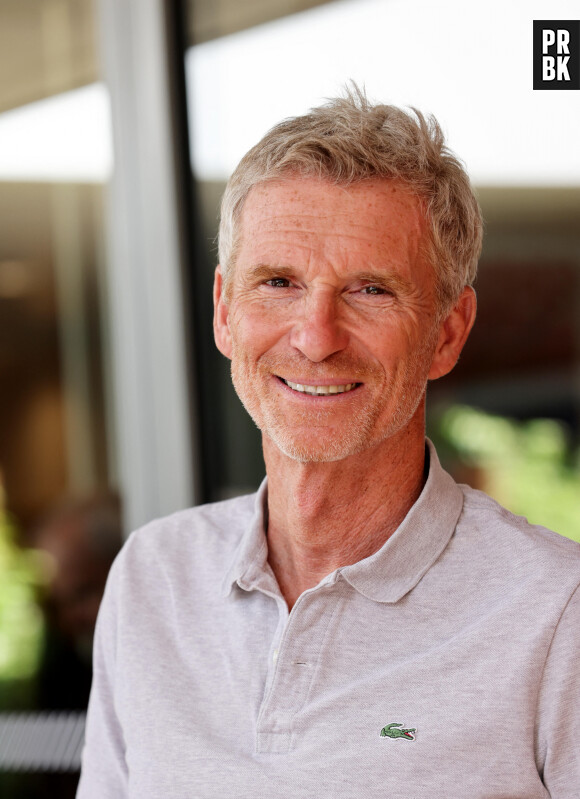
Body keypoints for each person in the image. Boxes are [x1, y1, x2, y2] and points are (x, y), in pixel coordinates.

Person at [77, 87, 580, 798]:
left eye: (371, 290)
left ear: (447, 330)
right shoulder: (154, 578)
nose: (315, 337)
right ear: (224, 311)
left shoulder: (558, 611)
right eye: (278, 281)